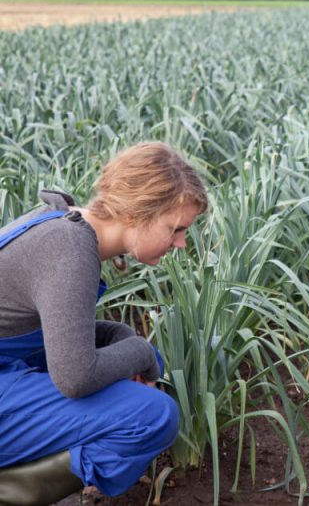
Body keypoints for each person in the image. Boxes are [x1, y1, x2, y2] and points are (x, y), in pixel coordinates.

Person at [0, 142, 207, 504]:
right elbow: (76, 376)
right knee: (153, 416)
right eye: (175, 229)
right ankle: (14, 491)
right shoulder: (70, 249)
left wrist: (118, 336)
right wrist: (142, 352)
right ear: (138, 213)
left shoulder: (62, 222)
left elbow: (46, 330)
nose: (182, 243)